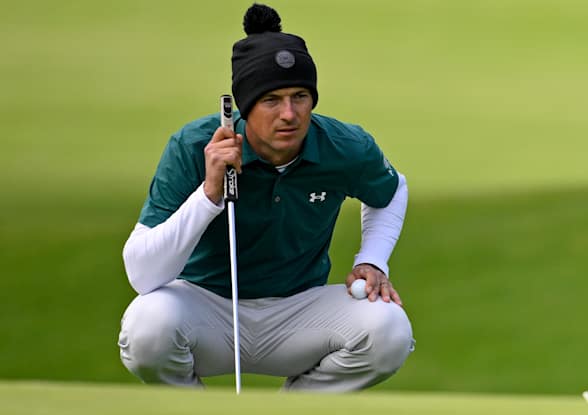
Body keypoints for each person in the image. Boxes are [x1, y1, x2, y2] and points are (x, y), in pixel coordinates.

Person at [117, 3, 414, 392]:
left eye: (300, 96)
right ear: (244, 106)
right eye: (271, 100)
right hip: (205, 309)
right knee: (147, 328)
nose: (289, 114)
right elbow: (143, 275)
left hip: (299, 313)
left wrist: (372, 260)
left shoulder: (343, 146)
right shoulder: (193, 146)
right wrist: (209, 194)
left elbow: (391, 191)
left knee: (389, 329)